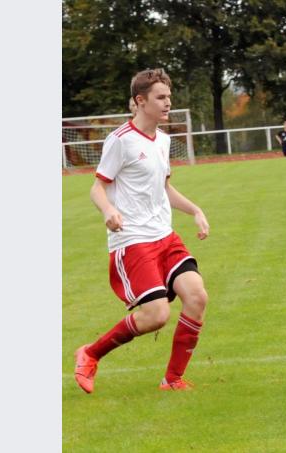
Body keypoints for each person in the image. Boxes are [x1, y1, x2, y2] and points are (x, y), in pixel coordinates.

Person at [74, 68, 211, 393]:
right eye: (161, 97)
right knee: (156, 315)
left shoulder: (163, 141)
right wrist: (109, 210)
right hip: (133, 240)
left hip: (165, 236)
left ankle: (172, 379)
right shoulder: (120, 140)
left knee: (197, 296)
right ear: (140, 101)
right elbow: (97, 188)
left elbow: (165, 189)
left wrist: (195, 210)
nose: (168, 103)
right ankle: (90, 354)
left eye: (169, 97)